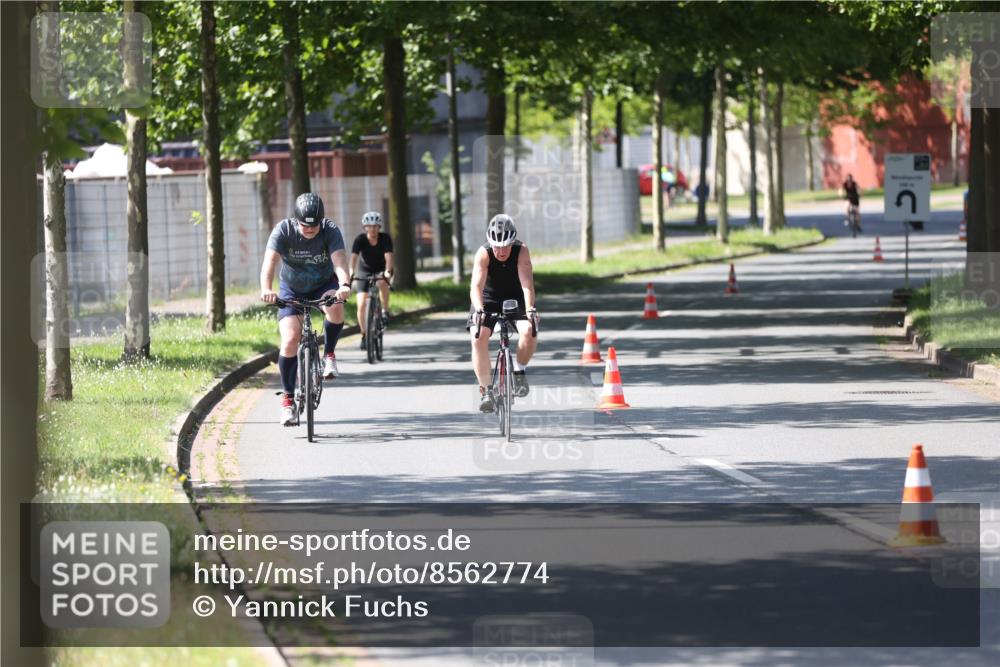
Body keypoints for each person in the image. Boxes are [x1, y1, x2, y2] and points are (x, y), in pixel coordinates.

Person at [260, 193, 351, 426]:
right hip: (292, 288)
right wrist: (266, 289)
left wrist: (344, 285)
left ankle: (329, 354)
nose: (310, 230)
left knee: (336, 307)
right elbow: (269, 262)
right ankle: (288, 401)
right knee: (290, 339)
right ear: (296, 220)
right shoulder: (284, 230)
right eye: (305, 226)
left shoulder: (330, 230)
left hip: (324, 284)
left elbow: (340, 260)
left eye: (314, 226)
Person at [467, 214, 539, 413]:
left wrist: (530, 309)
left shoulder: (521, 251)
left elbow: (527, 285)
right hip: (487, 299)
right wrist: (479, 310)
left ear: (513, 241)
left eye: (506, 246)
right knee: (478, 336)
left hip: (515, 298)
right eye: (496, 246)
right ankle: (486, 390)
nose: (501, 251)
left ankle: (519, 370)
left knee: (529, 330)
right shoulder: (484, 253)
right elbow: (476, 286)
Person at [349, 211, 394, 350]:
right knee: (361, 303)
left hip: (382, 269)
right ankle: (364, 334)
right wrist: (351, 272)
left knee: (381, 282)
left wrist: (387, 272)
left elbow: (389, 258)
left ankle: (385, 311)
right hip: (364, 271)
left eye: (375, 226)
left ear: (379, 227)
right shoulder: (360, 239)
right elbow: (353, 258)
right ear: (365, 227)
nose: (373, 229)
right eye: (369, 226)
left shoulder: (385, 238)